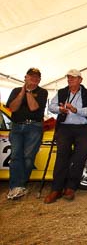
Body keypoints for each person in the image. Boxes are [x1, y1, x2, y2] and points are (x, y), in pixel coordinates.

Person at [44, 69, 87, 204]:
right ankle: (56, 189)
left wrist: (76, 110)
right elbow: (51, 106)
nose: (70, 80)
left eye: (73, 78)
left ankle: (71, 187)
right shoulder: (62, 92)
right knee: (62, 155)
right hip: (65, 127)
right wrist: (60, 109)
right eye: (68, 78)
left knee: (80, 156)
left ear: (80, 80)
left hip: (83, 128)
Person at [6, 68, 48, 200]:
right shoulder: (16, 91)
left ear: (40, 80)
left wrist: (29, 91)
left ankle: (21, 184)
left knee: (28, 157)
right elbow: (12, 108)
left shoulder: (42, 92)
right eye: (31, 77)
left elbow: (33, 107)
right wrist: (23, 90)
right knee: (15, 156)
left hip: (34, 127)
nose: (34, 80)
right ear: (25, 77)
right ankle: (16, 187)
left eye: (37, 78)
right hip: (17, 126)